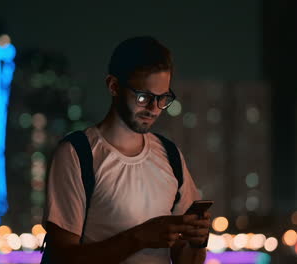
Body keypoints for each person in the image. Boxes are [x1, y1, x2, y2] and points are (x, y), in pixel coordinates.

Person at [43, 36, 211, 264]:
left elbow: (186, 259)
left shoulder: (170, 156)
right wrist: (140, 237)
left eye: (163, 98)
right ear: (113, 86)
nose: (154, 109)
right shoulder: (78, 153)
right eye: (144, 97)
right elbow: (63, 258)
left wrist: (198, 241)